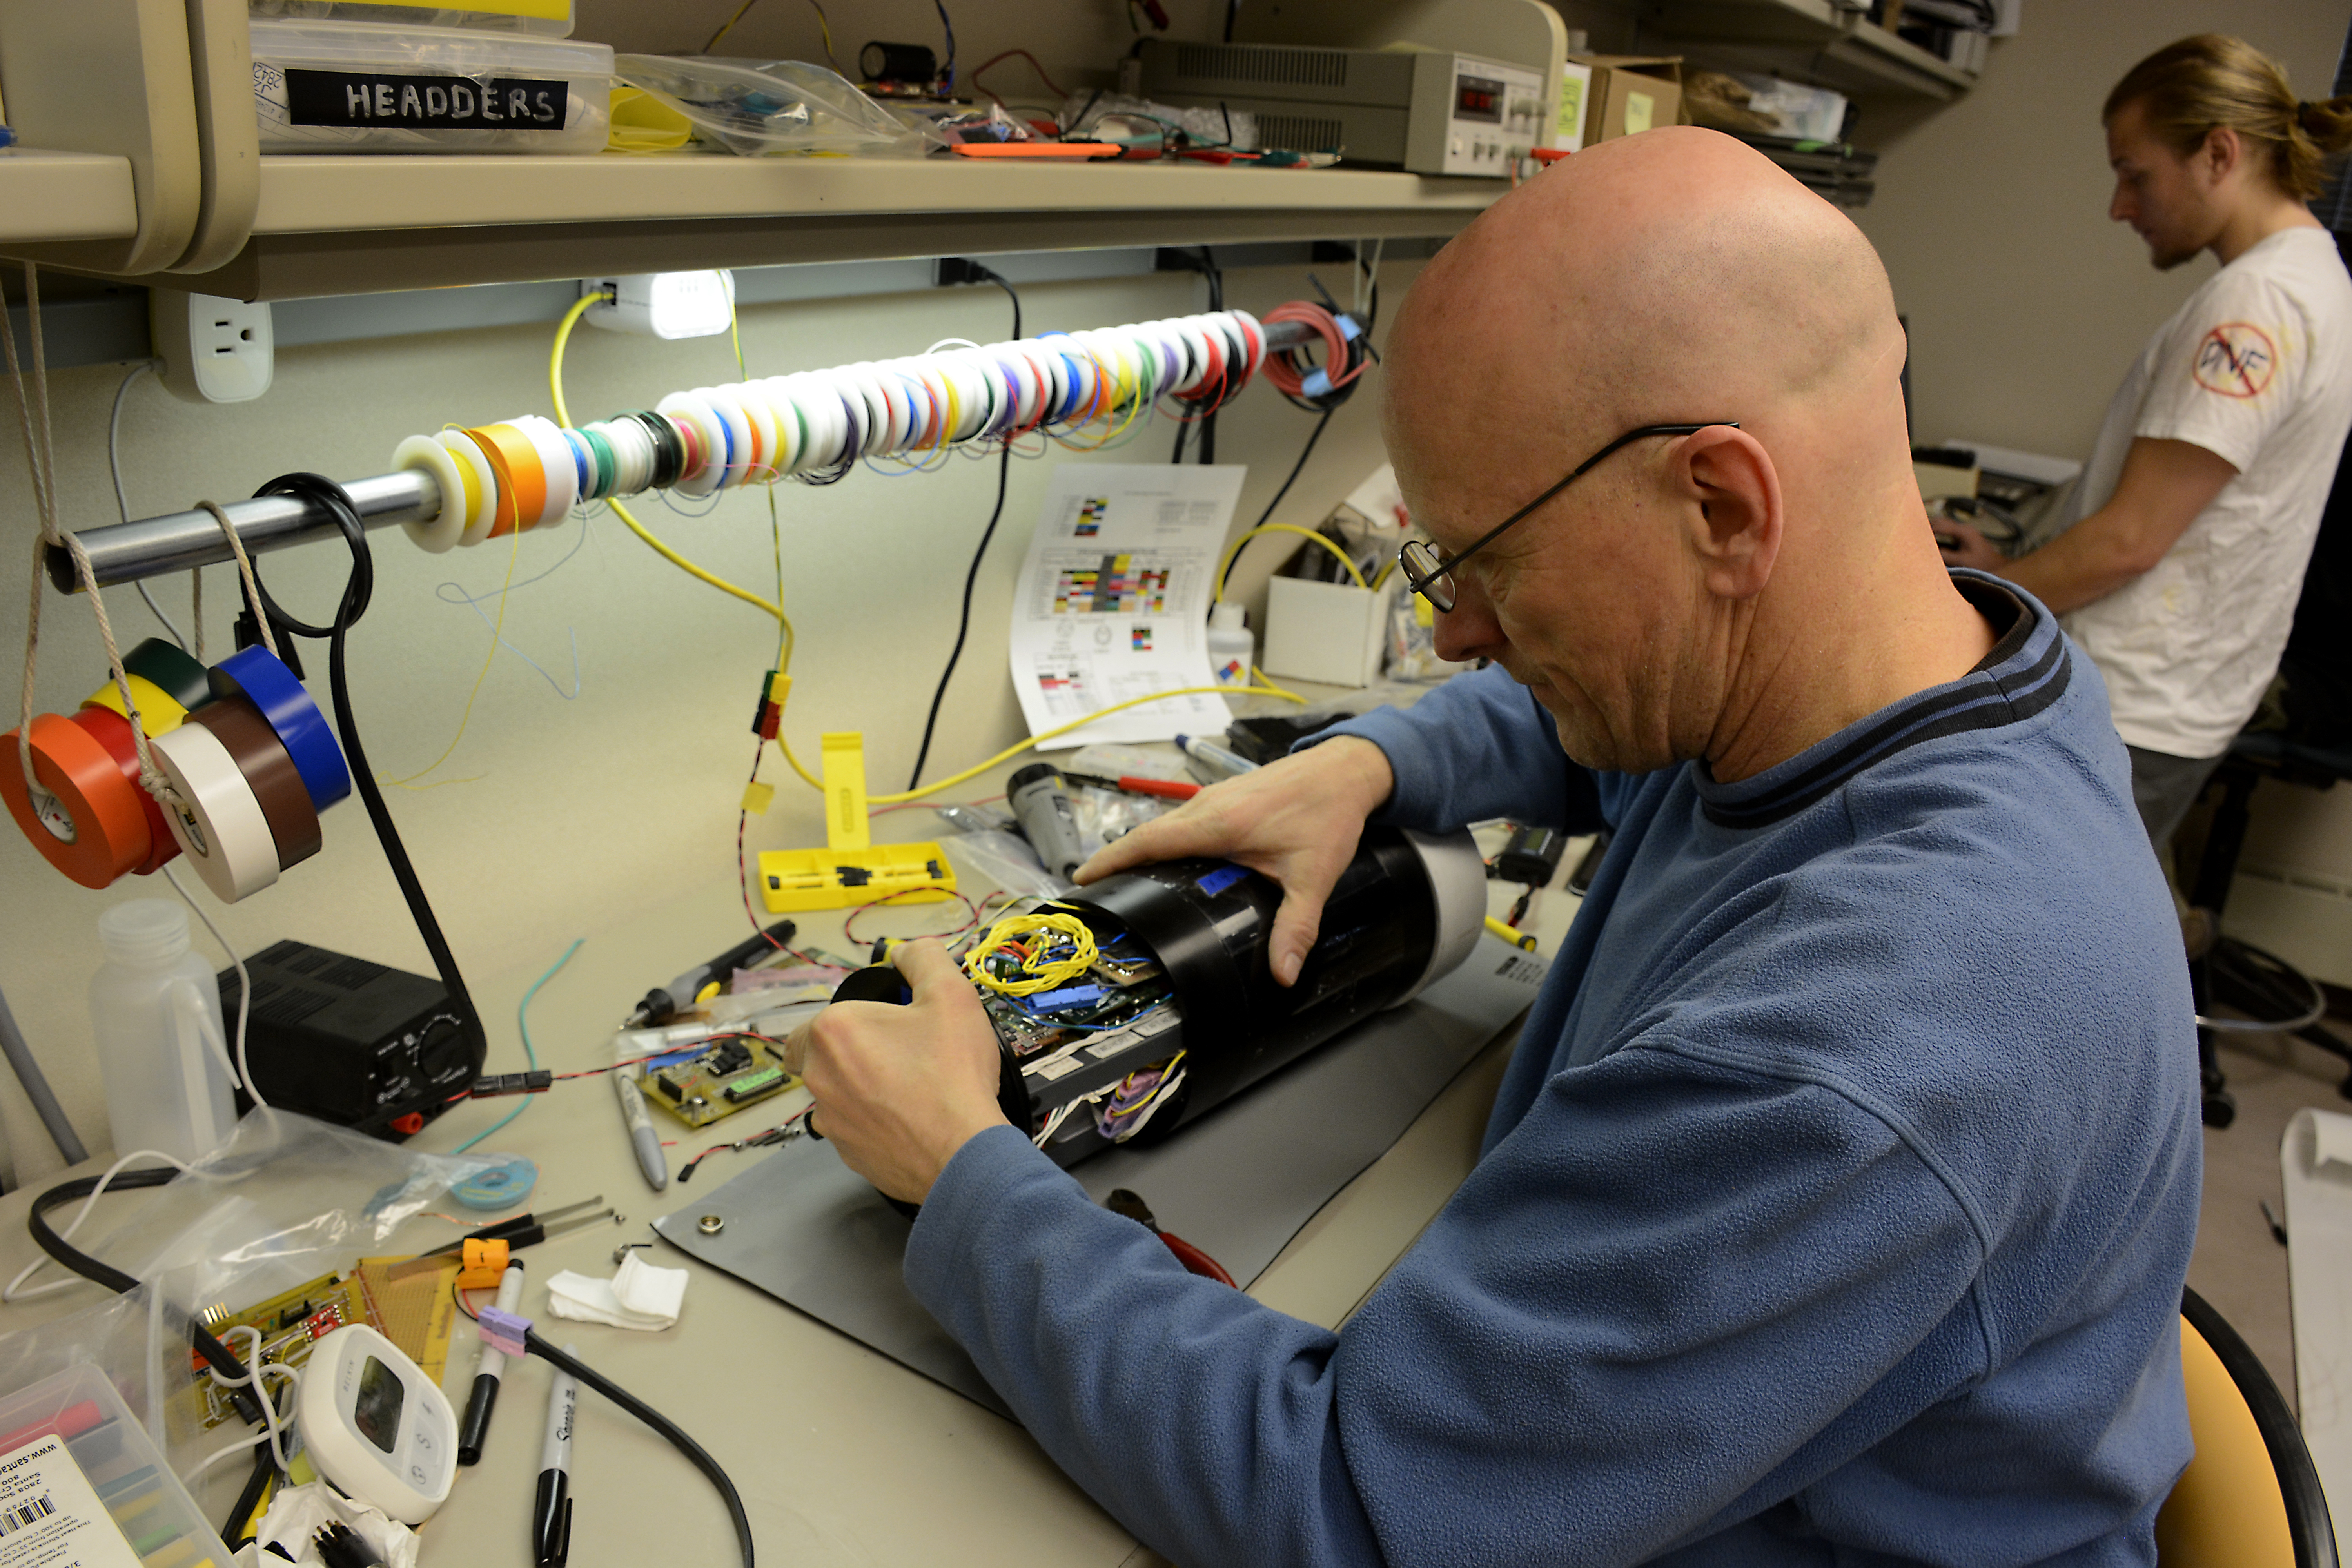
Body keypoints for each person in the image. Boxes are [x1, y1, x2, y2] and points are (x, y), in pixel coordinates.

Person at [789, 128, 2201, 1565]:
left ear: (1721, 507)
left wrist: (964, 1175)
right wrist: (1370, 761)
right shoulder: (1925, 675)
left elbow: (1350, 1509)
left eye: (1488, 566)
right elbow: (1617, 748)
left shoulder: (1870, 1041)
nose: (1457, 632)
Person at [1939, 35, 2352, 853]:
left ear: (2218, 154)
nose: (2120, 206)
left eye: (2136, 174)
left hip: (2137, 708)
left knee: (2037, 951)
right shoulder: (2316, 276)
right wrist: (2006, 559)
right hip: (2182, 695)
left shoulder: (2256, 307)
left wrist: (1987, 597)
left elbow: (2131, 541)